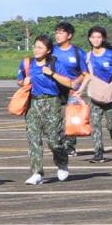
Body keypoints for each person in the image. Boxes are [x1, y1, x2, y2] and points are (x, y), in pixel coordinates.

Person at [19, 35, 74, 185]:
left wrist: (52, 74)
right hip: (33, 103)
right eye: (35, 46)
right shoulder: (27, 63)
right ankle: (37, 173)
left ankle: (62, 163)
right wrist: (23, 82)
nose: (36, 50)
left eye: (40, 47)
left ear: (48, 50)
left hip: (52, 102)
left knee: (54, 141)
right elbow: (20, 79)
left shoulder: (55, 63)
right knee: (34, 139)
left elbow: (69, 82)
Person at [78, 26, 112, 163]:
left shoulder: (111, 54)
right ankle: (98, 153)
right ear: (89, 39)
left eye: (99, 37)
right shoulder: (87, 57)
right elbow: (87, 75)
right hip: (95, 94)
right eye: (93, 37)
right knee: (95, 124)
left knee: (111, 125)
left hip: (111, 93)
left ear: (103, 38)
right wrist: (80, 90)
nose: (96, 40)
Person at [52, 21, 86, 157]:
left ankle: (70, 146)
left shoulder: (78, 53)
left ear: (69, 35)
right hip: (54, 90)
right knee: (55, 119)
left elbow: (85, 73)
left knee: (71, 119)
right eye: (56, 32)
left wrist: (74, 84)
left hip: (72, 91)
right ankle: (57, 145)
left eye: (61, 32)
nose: (57, 35)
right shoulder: (51, 51)